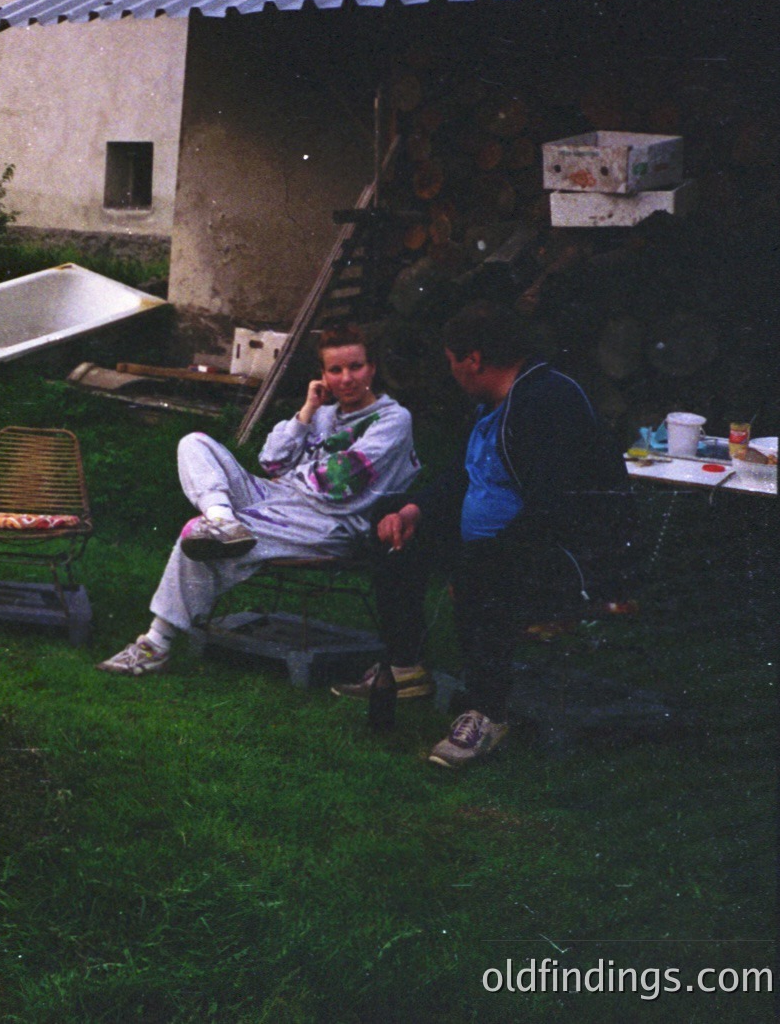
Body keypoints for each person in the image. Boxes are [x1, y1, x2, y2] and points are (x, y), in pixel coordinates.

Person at [358, 301, 633, 769]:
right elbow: (466, 474)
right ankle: (405, 667)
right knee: (391, 526)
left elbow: (559, 503)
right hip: (498, 544)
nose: (454, 375)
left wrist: (492, 554)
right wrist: (412, 510)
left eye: (452, 364)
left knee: (481, 570)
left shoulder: (548, 399)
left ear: (474, 360)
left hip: (567, 554)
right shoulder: (494, 405)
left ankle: (487, 713)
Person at [100, 325, 421, 675]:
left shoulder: (393, 420)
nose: (346, 378)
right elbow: (271, 461)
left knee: (198, 533)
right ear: (323, 375)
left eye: (355, 367)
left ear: (372, 368)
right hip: (281, 498)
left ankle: (156, 643)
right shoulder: (323, 414)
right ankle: (222, 518)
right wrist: (307, 411)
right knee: (194, 443)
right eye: (335, 370)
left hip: (332, 522)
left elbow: (340, 482)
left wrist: (294, 475)